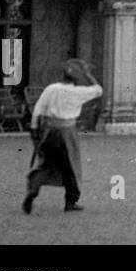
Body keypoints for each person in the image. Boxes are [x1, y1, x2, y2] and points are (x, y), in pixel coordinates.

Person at [23, 58, 103, 214]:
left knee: (46, 162)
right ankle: (71, 201)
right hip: (67, 131)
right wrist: (88, 74)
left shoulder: (51, 89)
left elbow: (39, 109)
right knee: (71, 166)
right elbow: (98, 89)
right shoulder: (79, 92)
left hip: (49, 130)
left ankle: (34, 187)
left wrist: (34, 130)